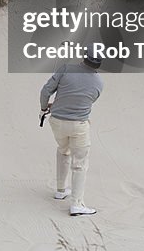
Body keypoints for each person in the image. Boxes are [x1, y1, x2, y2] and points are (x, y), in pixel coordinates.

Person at [40, 56, 103, 216]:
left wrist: (44, 108)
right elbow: (83, 100)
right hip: (79, 126)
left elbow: (46, 91)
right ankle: (76, 204)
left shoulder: (66, 68)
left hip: (57, 122)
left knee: (63, 150)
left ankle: (61, 190)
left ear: (84, 57)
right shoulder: (99, 83)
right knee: (80, 164)